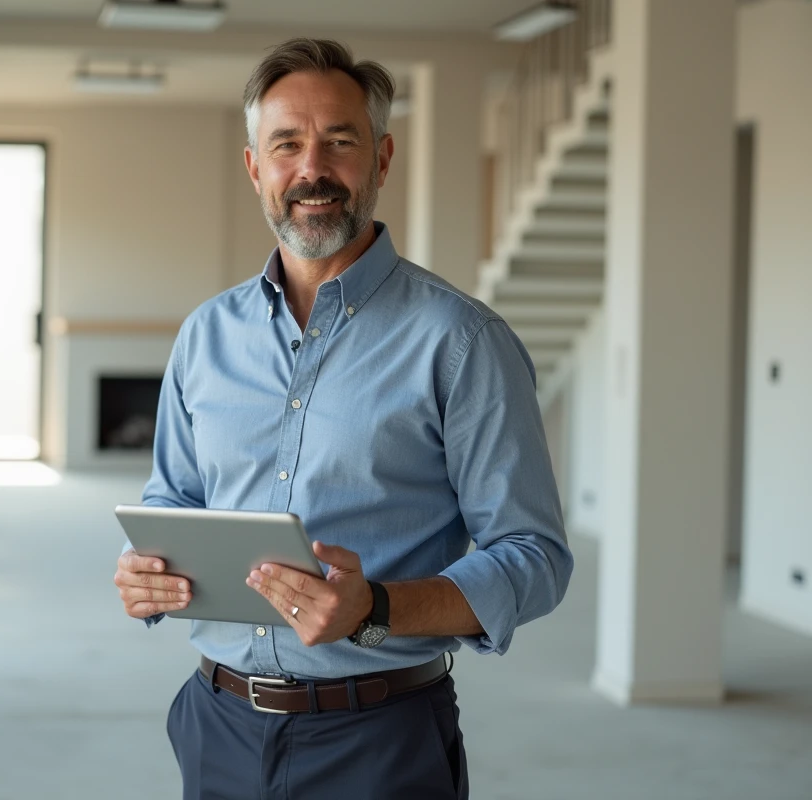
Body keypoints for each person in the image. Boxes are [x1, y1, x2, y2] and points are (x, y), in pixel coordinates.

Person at [113, 37, 573, 799]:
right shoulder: (206, 335)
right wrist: (148, 571)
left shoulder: (461, 343)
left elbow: (534, 556)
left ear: (382, 159)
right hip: (216, 725)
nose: (312, 170)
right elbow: (174, 498)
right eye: (286, 144)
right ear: (255, 166)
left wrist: (377, 609)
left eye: (340, 142)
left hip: (379, 740)